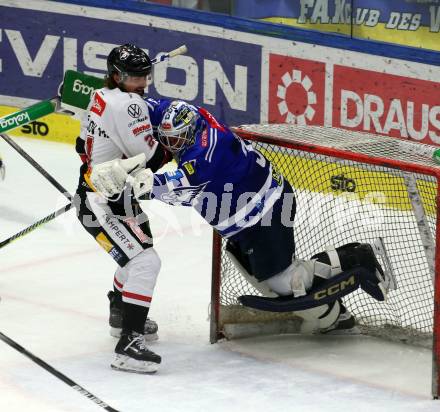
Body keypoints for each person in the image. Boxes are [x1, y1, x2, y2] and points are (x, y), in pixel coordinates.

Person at [89, 100, 392, 334]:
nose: (171, 147)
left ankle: (356, 260)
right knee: (268, 283)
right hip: (246, 220)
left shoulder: (208, 154)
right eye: (167, 140)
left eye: (177, 142)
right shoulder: (190, 116)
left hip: (266, 211)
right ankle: (334, 315)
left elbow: (179, 188)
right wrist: (106, 103)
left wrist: (134, 182)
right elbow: (144, 107)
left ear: (190, 134)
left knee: (285, 284)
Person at [74, 44, 172, 373]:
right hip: (101, 200)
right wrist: (174, 141)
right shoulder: (129, 106)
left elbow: (81, 145)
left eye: (146, 74)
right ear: (117, 76)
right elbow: (153, 157)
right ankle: (128, 345)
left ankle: (120, 311)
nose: (143, 81)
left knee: (139, 252)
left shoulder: (100, 96)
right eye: (136, 76)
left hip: (107, 193)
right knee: (146, 263)